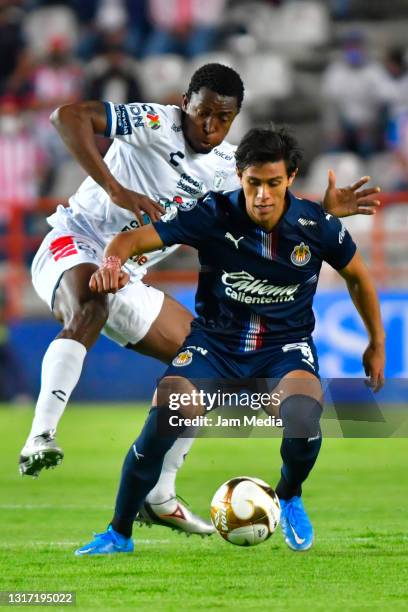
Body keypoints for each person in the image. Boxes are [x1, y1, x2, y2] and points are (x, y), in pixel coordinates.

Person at [19, 63, 381, 536]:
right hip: (76, 240)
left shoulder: (224, 168)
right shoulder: (155, 122)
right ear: (185, 103)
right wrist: (116, 189)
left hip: (129, 270)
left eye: (223, 118)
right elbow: (67, 116)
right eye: (203, 113)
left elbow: (268, 201)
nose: (210, 127)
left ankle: (159, 493)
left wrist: (324, 215)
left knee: (197, 367)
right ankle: (40, 435)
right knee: (91, 303)